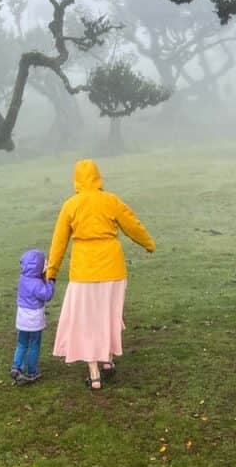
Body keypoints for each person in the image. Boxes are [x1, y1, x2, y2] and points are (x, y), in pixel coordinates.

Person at [45, 158, 155, 391]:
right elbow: (132, 224)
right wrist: (147, 243)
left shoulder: (71, 205)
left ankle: (94, 374)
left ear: (76, 179)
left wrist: (52, 271)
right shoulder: (110, 200)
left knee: (86, 321)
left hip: (84, 272)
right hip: (113, 270)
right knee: (107, 315)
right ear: (98, 177)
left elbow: (59, 241)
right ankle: (106, 360)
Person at [10, 248, 55, 385]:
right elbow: (47, 295)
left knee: (22, 343)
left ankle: (16, 366)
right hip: (34, 319)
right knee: (34, 344)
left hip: (22, 317)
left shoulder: (23, 279)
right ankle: (32, 371)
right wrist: (50, 282)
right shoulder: (37, 283)